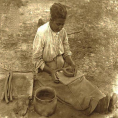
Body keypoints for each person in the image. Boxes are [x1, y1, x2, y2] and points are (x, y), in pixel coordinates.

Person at [32, 3, 117, 115]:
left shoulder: (62, 31)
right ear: (51, 19)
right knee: (66, 89)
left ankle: (102, 99)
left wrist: (71, 63)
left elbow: (66, 51)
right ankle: (99, 105)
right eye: (58, 24)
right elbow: (36, 60)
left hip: (61, 66)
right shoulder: (41, 33)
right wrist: (51, 71)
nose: (60, 27)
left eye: (63, 24)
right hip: (46, 71)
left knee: (79, 80)